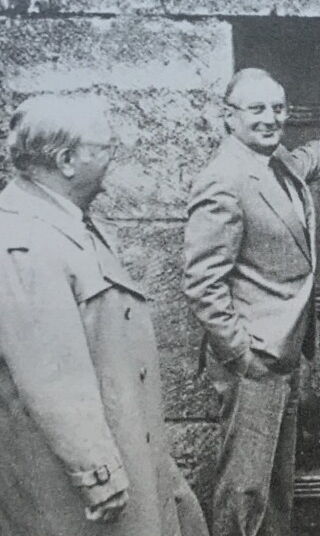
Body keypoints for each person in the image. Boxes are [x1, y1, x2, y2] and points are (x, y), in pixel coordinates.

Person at [183, 68, 320, 536]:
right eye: (256, 109)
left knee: (275, 486)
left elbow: (312, 158)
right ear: (229, 117)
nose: (270, 118)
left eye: (278, 108)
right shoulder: (224, 179)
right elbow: (203, 283)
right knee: (245, 489)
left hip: (282, 351)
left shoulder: (273, 161)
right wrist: (243, 356)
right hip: (256, 358)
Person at [0, 95, 209, 536]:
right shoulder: (24, 241)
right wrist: (97, 473)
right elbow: (50, 378)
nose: (113, 158)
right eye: (106, 147)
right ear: (67, 160)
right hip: (76, 486)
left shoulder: (65, 220)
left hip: (125, 448)